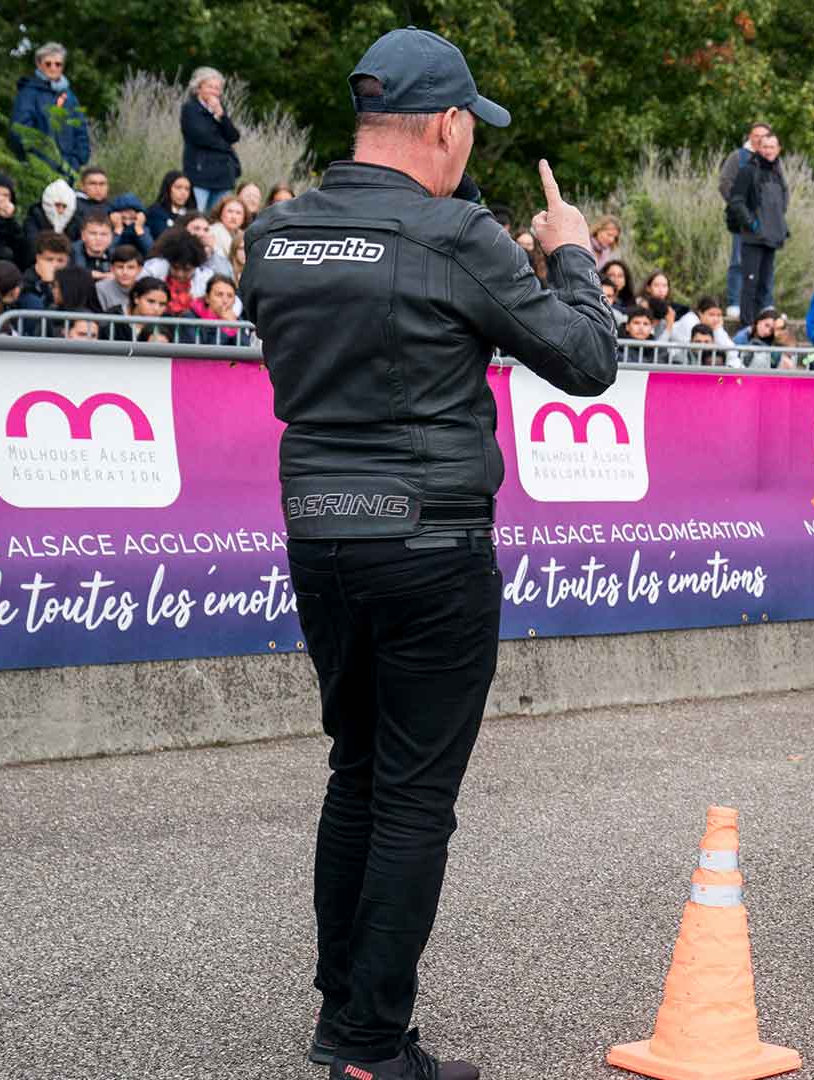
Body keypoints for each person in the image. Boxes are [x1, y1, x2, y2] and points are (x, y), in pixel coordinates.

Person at [237, 28, 617, 1080]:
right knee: (409, 795)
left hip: (320, 532)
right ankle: (368, 1045)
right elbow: (587, 361)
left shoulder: (277, 234)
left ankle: (344, 1013)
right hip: (428, 538)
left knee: (354, 773)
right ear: (448, 125)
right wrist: (573, 253)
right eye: (469, 132)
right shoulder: (456, 235)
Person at [729, 131, 788, 330]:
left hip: (772, 237)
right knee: (750, 283)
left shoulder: (777, 171)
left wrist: (781, 226)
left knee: (766, 284)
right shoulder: (747, 170)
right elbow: (736, 201)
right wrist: (752, 224)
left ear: (778, 149)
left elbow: (783, 201)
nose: (769, 151)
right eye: (765, 146)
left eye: (772, 147)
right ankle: (747, 325)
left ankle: (764, 325)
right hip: (753, 238)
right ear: (758, 148)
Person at [10, 44, 91, 177]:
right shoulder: (28, 93)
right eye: (48, 64)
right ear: (39, 64)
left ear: (63, 66)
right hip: (37, 168)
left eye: (58, 64)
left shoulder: (70, 96)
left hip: (68, 169)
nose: (53, 68)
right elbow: (19, 130)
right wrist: (34, 159)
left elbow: (81, 132)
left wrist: (76, 162)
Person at [718, 121, 771, 312]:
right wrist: (742, 209)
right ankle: (734, 303)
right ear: (750, 136)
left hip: (767, 222)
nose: (759, 139)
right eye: (756, 135)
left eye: (764, 136)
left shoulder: (771, 160)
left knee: (765, 264)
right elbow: (725, 184)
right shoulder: (738, 157)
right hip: (743, 221)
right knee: (739, 261)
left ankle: (764, 305)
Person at [181, 67, 242, 211]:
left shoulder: (220, 109)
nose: (214, 91)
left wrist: (221, 116)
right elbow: (201, 137)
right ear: (199, 87)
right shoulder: (190, 108)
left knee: (217, 220)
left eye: (218, 88)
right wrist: (226, 146)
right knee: (198, 216)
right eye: (210, 87)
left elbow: (233, 136)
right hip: (199, 175)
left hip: (223, 177)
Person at [107, 275, 171, 342]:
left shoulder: (168, 322)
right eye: (151, 301)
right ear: (136, 298)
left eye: (162, 304)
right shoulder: (113, 317)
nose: (156, 308)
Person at [0, 173, 33, 270]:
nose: (0, 199)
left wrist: (7, 220)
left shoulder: (11, 224)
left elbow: (25, 255)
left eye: (5, 195)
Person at [26, 178, 83, 248]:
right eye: (57, 205)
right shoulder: (35, 217)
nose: (61, 211)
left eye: (64, 206)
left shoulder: (74, 222)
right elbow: (32, 243)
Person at [147, 172, 196, 241]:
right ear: (168, 188)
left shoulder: (193, 214)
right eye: (178, 188)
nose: (183, 193)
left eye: (187, 189)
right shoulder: (155, 212)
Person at [96, 244, 142, 312]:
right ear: (112, 269)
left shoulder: (145, 289)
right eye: (120, 267)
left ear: (139, 270)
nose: (125, 272)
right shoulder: (101, 288)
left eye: (131, 267)